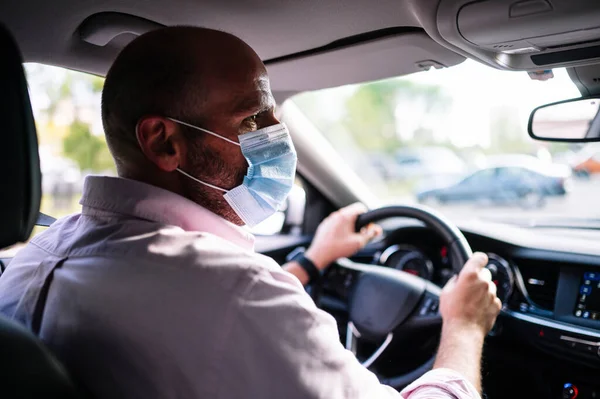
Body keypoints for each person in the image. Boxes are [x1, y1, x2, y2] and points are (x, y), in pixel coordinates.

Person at [0, 27, 501, 398]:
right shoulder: (236, 293)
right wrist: (463, 325)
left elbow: (215, 320)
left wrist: (312, 261)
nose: (275, 135)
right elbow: (229, 307)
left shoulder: (34, 262)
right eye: (253, 116)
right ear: (164, 141)